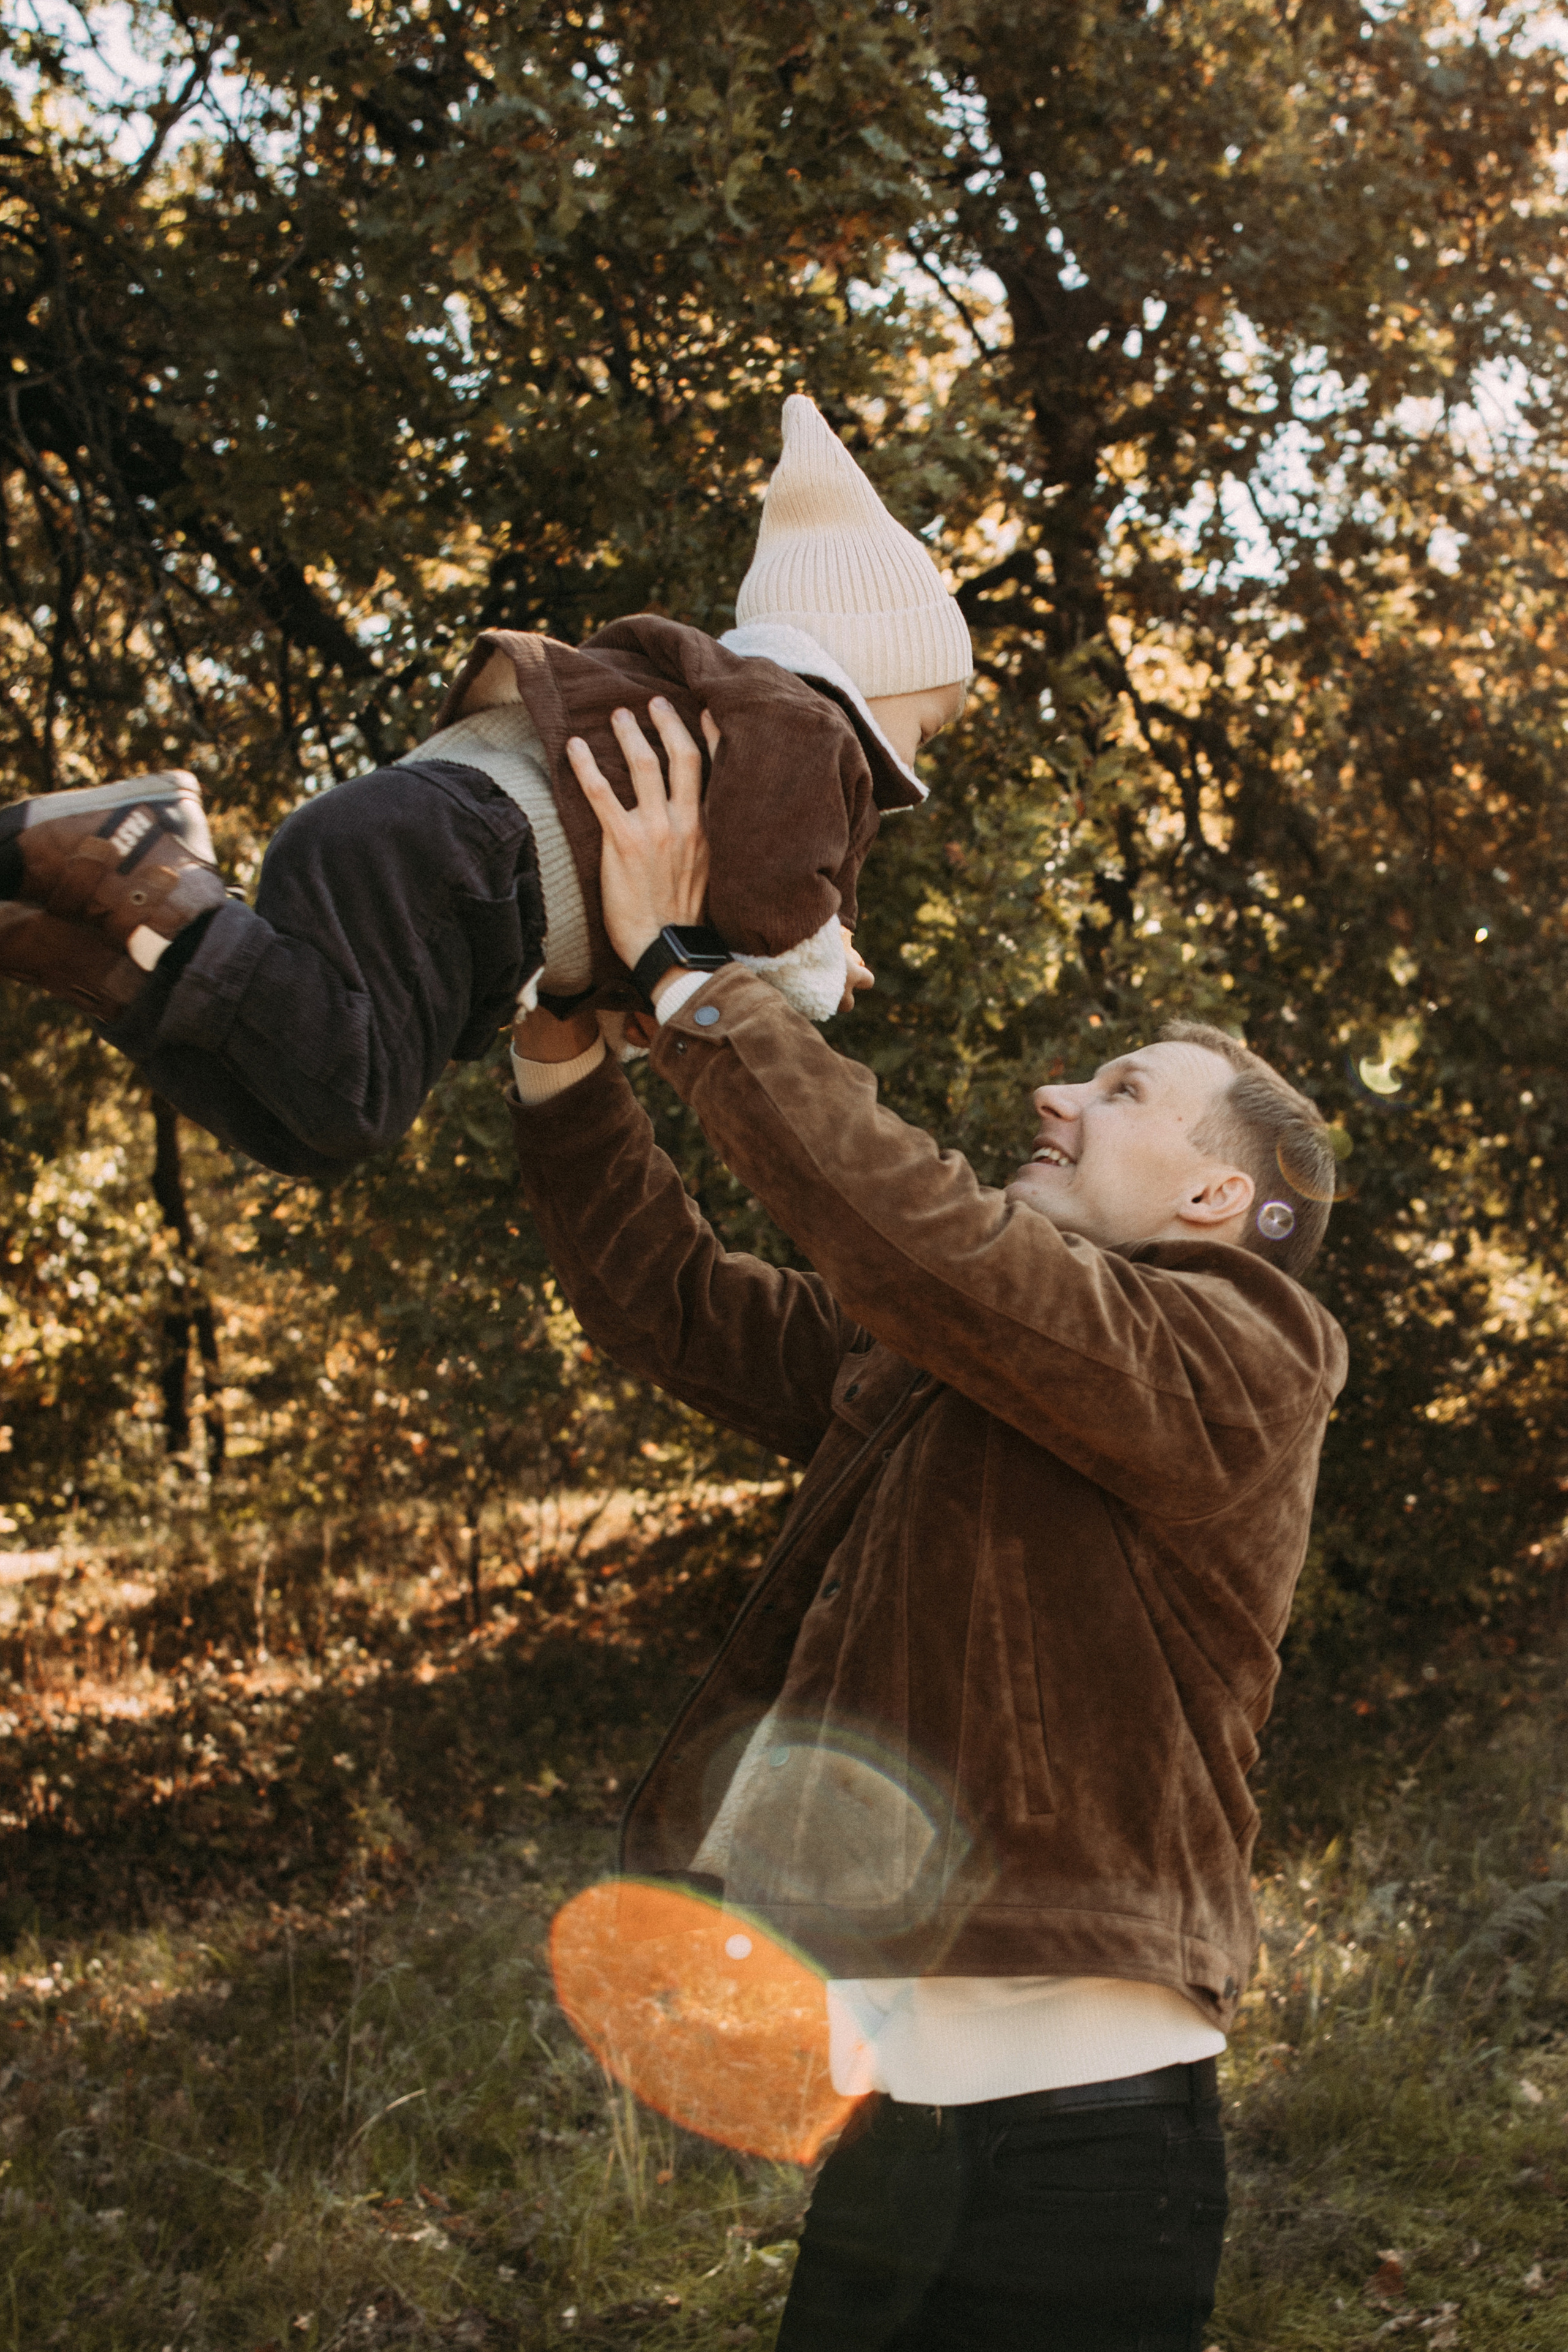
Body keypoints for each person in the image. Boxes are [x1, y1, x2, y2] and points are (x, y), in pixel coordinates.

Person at [508, 699, 1348, 2350]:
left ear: (1216, 1199)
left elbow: (931, 1247)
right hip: (895, 2142)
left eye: (1119, 1090)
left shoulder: (1248, 1356)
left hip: (1091, 2157)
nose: (1054, 1094)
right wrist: (563, 1053)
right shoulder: (951, 1371)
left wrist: (693, 968)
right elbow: (682, 1306)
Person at [0, 397, 969, 1178]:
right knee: (355, 1094)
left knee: (312, 1128)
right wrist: (812, 962)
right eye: (926, 726)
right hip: (457, 860)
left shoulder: (726, 718)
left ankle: (102, 952)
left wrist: (636, 1009)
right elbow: (770, 896)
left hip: (407, 841)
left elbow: (651, 937)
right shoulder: (808, 729)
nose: (912, 768)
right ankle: (145, 873)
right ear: (868, 674)